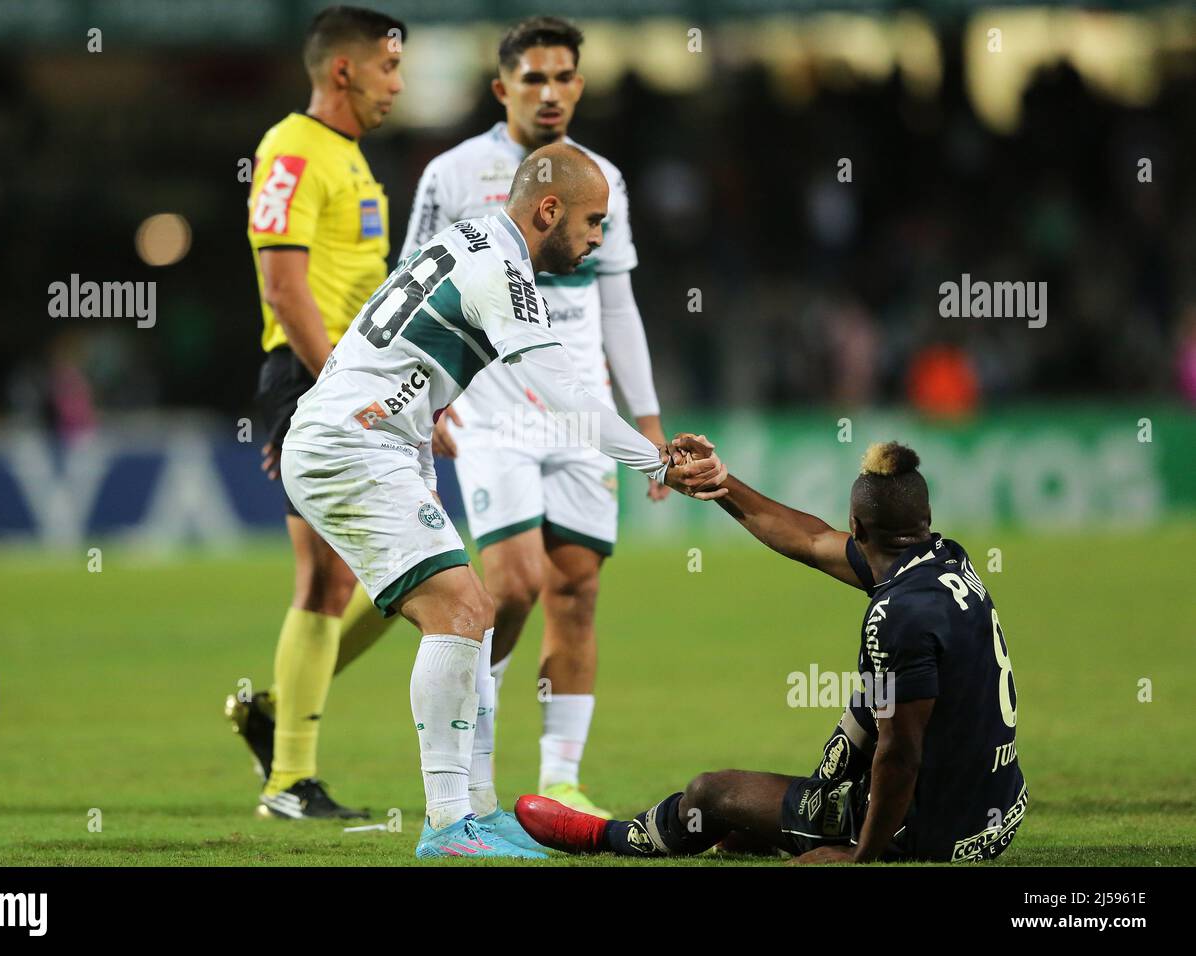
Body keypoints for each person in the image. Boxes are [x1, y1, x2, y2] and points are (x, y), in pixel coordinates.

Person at [280, 143, 725, 858]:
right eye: (592, 221)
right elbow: (564, 398)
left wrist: (418, 445)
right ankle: (449, 826)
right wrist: (660, 461)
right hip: (351, 446)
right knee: (463, 609)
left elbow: (387, 350)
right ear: (548, 209)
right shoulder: (502, 268)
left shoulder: (465, 239)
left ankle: (474, 812)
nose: (597, 239)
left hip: (366, 440)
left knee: (471, 615)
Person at [328, 15, 666, 818]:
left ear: (579, 85)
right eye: (534, 78)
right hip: (493, 407)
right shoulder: (454, 173)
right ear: (502, 87)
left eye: (563, 78)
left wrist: (645, 419)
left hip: (580, 409)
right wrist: (423, 395)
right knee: (510, 584)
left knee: (576, 589)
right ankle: (474, 748)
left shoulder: (602, 179)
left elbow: (618, 306)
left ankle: (560, 779)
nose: (550, 93)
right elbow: (409, 280)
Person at [517, 440, 1028, 863]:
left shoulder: (896, 615)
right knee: (870, 703)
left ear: (856, 525)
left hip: (935, 833)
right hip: (997, 811)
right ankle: (782, 824)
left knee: (710, 795)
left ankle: (600, 838)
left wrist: (859, 859)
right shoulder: (944, 561)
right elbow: (806, 540)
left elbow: (900, 754)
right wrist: (719, 482)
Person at [226, 5, 405, 821]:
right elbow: (284, 287)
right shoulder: (291, 149)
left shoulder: (355, 164)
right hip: (310, 377)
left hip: (358, 381)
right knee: (328, 577)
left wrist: (408, 394)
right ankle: (288, 781)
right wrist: (336, 389)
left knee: (409, 575)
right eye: (388, 68)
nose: (397, 87)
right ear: (343, 70)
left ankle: (272, 713)